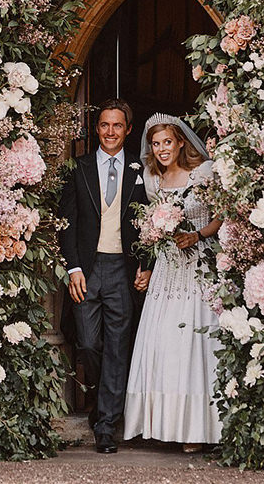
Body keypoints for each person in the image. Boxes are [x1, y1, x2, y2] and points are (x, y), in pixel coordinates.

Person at [123, 113, 223, 451]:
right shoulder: (153, 180)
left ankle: (196, 429)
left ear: (181, 142)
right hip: (167, 270)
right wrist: (147, 266)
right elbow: (153, 233)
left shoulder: (203, 173)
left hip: (199, 265)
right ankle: (164, 423)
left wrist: (197, 234)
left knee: (195, 344)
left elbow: (221, 214)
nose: (162, 149)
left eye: (168, 142)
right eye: (156, 144)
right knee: (164, 342)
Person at [58, 98, 151, 454]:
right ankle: (100, 402)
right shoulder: (77, 168)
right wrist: (74, 267)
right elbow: (66, 224)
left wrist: (144, 264)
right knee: (88, 344)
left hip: (122, 271)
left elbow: (149, 224)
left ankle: (107, 426)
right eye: (104, 125)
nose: (110, 132)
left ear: (128, 130)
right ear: (96, 129)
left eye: (117, 126)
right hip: (87, 268)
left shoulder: (139, 170)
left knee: (117, 348)